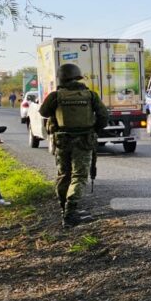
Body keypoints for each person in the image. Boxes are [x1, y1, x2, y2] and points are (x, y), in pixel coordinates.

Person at [38, 64, 108, 227]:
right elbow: (104, 116)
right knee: (79, 176)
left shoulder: (56, 96)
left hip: (62, 141)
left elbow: (43, 112)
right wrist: (93, 129)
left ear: (61, 78)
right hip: (84, 140)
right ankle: (71, 213)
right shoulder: (90, 95)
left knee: (64, 175)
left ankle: (65, 210)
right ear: (78, 77)